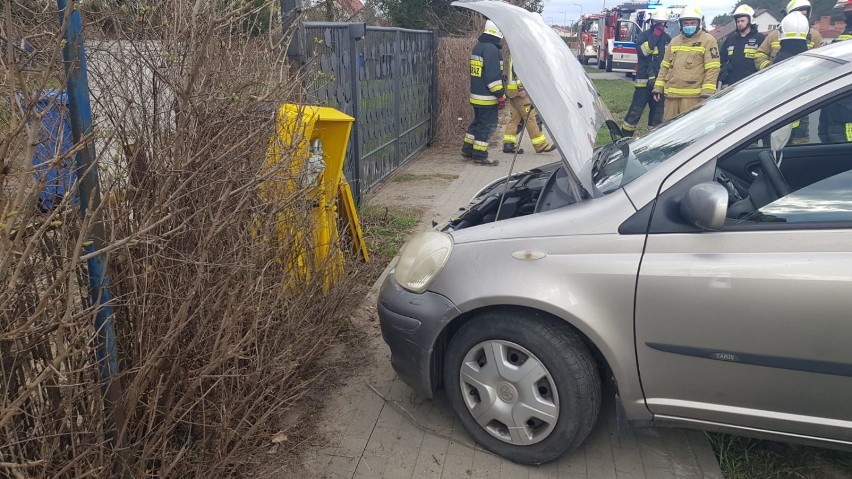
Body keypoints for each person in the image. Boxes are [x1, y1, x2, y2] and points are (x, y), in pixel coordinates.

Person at [653, 5, 720, 121]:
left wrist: (707, 93)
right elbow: (664, 67)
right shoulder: (674, 42)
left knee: (690, 130)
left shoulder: (708, 40)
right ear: (681, 24)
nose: (689, 26)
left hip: (693, 98)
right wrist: (658, 88)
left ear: (699, 23)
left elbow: (712, 69)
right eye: (686, 23)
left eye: (692, 23)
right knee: (668, 128)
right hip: (672, 97)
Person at [462, 20, 506, 166]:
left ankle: (468, 149)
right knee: (486, 126)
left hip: (476, 95)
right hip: (488, 97)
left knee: (477, 124)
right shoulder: (492, 49)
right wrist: (500, 95)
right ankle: (480, 155)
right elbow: (492, 77)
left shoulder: (478, 47)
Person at [622, 8, 671, 136]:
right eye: (657, 21)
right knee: (634, 115)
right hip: (643, 86)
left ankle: (652, 143)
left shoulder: (667, 39)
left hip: (659, 86)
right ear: (652, 21)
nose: (660, 24)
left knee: (656, 119)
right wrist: (655, 35)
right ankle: (623, 141)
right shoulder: (642, 36)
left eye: (662, 22)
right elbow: (645, 52)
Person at [502, 59, 556, 154]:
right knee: (530, 118)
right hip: (519, 93)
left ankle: (508, 144)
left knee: (515, 119)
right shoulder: (519, 51)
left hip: (513, 91)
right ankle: (541, 145)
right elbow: (518, 70)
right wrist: (521, 87)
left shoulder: (514, 51)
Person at [754, 0, 823, 71]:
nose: (799, 18)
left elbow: (821, 61)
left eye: (804, 14)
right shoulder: (774, 35)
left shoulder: (815, 36)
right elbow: (760, 54)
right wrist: (769, 68)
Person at [818, 0, 852, 142]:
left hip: (846, 105)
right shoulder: (847, 30)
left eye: (849, 7)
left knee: (843, 148)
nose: (846, 11)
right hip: (835, 100)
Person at [719, 5, 764, 88]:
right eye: (738, 21)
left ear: (751, 20)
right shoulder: (730, 40)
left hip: (753, 83)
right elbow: (721, 60)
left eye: (743, 21)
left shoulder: (760, 38)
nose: (739, 24)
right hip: (732, 85)